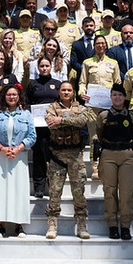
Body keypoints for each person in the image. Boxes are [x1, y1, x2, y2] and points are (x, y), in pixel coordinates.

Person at [44, 81, 94, 240]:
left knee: (79, 191)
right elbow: (50, 123)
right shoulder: (51, 107)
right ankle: (52, 223)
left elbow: (81, 122)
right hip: (57, 156)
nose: (66, 92)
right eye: (63, 90)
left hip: (75, 156)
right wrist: (67, 120)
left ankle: (81, 224)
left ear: (73, 92)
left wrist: (61, 120)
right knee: (55, 191)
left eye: (69, 90)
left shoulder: (81, 108)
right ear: (59, 92)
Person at [0, 83, 36, 238]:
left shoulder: (26, 114)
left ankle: (18, 225)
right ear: (3, 97)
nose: (12, 97)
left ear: (19, 96)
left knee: (18, 190)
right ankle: (0, 225)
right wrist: (1, 148)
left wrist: (19, 148)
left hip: (19, 157)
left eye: (14, 95)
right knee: (0, 189)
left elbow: (32, 136)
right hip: (0, 156)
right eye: (9, 95)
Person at [96, 84, 133, 240]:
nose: (117, 98)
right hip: (108, 154)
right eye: (114, 95)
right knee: (110, 191)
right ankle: (112, 225)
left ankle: (125, 226)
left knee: (127, 192)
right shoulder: (103, 116)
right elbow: (99, 133)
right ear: (111, 97)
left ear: (125, 97)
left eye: (120, 95)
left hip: (127, 154)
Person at [78, 35, 122, 179]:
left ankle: (108, 166)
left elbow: (117, 83)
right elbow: (82, 83)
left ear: (106, 45)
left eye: (103, 43)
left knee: (110, 136)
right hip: (92, 107)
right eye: (97, 43)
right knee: (94, 138)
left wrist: (117, 99)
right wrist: (81, 93)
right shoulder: (87, 63)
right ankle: (95, 167)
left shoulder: (113, 63)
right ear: (94, 45)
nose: (100, 46)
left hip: (109, 107)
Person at [25, 56, 61, 199]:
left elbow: (62, 103)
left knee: (54, 155)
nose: (44, 68)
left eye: (47, 66)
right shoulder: (33, 84)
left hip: (54, 126)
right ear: (38, 68)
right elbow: (26, 103)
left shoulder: (57, 84)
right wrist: (31, 114)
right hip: (38, 126)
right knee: (38, 155)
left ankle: (54, 185)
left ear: (51, 66)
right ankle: (39, 186)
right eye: (42, 66)